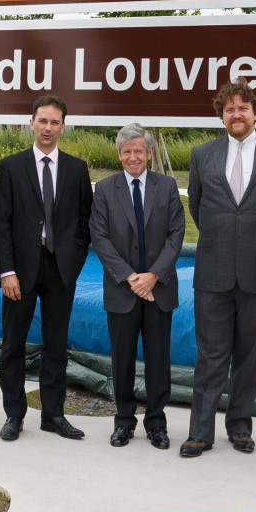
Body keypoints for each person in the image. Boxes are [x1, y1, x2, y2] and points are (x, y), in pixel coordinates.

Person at [179, 79, 256, 458]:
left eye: (242, 108)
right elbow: (198, 207)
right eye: (229, 109)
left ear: (255, 113)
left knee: (249, 356)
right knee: (209, 356)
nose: (236, 114)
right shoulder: (202, 155)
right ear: (222, 116)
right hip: (213, 271)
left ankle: (240, 428)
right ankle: (200, 432)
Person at [0, 94, 93, 441]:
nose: (48, 127)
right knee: (13, 345)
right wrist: (5, 271)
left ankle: (53, 415)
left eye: (55, 122)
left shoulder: (77, 169)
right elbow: (1, 222)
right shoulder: (10, 166)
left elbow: (85, 224)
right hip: (19, 272)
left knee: (56, 345)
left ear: (63, 127)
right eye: (43, 121)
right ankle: (14, 415)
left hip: (61, 271)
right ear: (31, 123)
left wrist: (74, 263)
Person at [89, 123, 185, 450]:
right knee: (122, 360)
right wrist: (131, 277)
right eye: (127, 152)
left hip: (158, 290)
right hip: (122, 290)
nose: (133, 157)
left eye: (139, 151)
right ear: (119, 154)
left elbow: (176, 235)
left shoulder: (168, 187)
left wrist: (153, 276)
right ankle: (123, 422)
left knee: (159, 360)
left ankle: (157, 424)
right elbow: (99, 237)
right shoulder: (104, 189)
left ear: (150, 153)